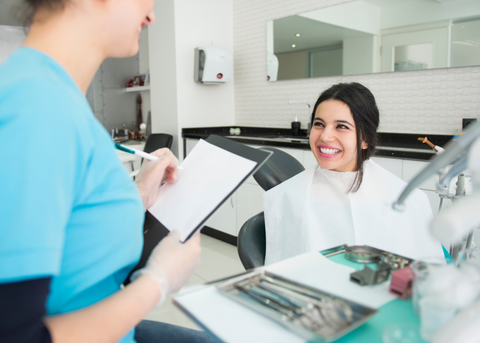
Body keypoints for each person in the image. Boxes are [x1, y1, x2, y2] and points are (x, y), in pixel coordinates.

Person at [0, 1, 214, 342]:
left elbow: (72, 217)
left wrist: (141, 192)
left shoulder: (53, 94)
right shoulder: (37, 107)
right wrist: (157, 283)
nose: (152, 15)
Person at [263, 82, 444, 265]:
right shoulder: (286, 196)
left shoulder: (408, 199)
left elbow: (425, 274)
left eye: (341, 126)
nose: (325, 136)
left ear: (365, 139)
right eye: (319, 124)